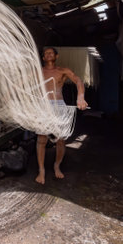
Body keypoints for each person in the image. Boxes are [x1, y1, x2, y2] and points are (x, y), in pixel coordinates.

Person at [35, 47, 88, 185]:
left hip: (59, 105)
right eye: (45, 53)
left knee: (60, 139)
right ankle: (41, 170)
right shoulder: (38, 71)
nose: (48, 54)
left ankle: (57, 165)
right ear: (43, 58)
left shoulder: (63, 71)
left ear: (56, 56)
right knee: (41, 139)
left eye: (51, 52)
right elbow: (22, 82)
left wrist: (80, 97)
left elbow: (78, 81)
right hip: (43, 106)